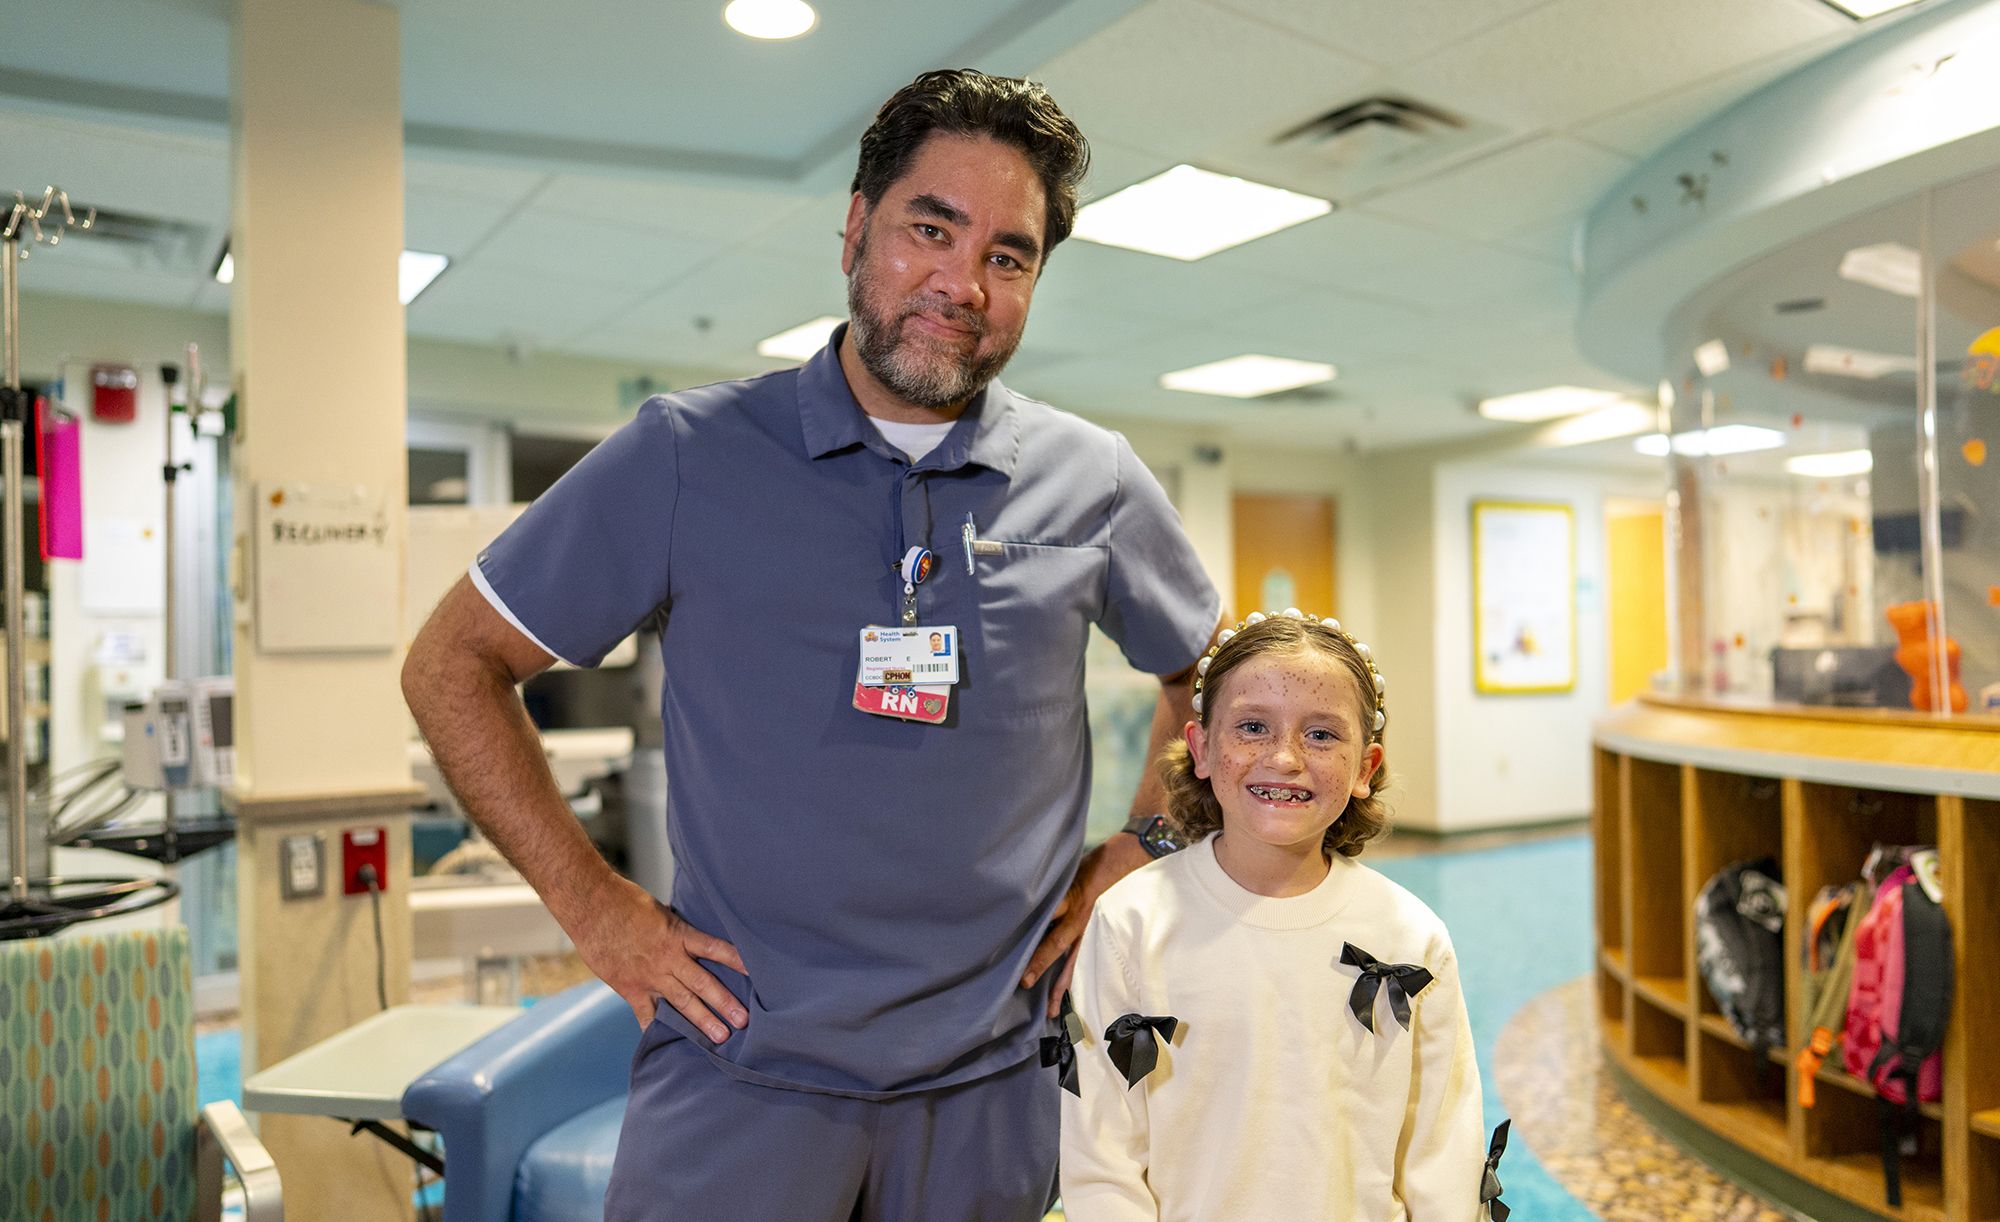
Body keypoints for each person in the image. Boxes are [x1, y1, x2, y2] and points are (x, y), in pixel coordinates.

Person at [402, 68, 1223, 1221]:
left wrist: (1141, 844)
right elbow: (451, 664)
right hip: (742, 1074)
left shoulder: (1092, 480)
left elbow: (1213, 676)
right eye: (927, 228)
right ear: (853, 224)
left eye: (1007, 253)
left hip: (996, 1087)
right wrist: (595, 909)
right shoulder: (686, 456)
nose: (961, 281)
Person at [1058, 610, 1500, 1222]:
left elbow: (1443, 1151)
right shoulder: (1131, 922)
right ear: (1202, 749)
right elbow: (1102, 1158)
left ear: (1365, 769)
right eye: (1253, 726)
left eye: (1321, 735)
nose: (1285, 758)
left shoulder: (1410, 936)